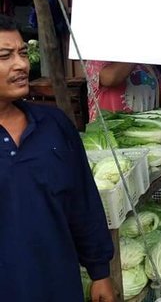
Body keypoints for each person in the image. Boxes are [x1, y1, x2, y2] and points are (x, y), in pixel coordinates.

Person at [0, 15, 115, 301]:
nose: (22, 64)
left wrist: (100, 272)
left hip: (60, 285)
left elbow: (83, 203)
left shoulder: (54, 125)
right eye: (5, 56)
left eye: (23, 53)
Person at [86, 60, 161, 120]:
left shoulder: (146, 64)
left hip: (142, 132)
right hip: (109, 136)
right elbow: (111, 79)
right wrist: (136, 52)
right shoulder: (98, 59)